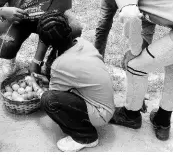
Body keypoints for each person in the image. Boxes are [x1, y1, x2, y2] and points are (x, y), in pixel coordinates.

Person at [101, 0, 173, 141]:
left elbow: (130, 14)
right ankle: (163, 119)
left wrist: (134, 51)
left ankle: (131, 114)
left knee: (135, 65)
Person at [34, 11, 115, 152]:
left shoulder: (60, 65)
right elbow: (75, 77)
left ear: (48, 44)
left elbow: (53, 95)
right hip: (104, 104)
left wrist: (35, 86)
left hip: (100, 114)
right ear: (68, 28)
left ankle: (85, 137)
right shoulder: (82, 43)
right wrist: (47, 79)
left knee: (48, 101)